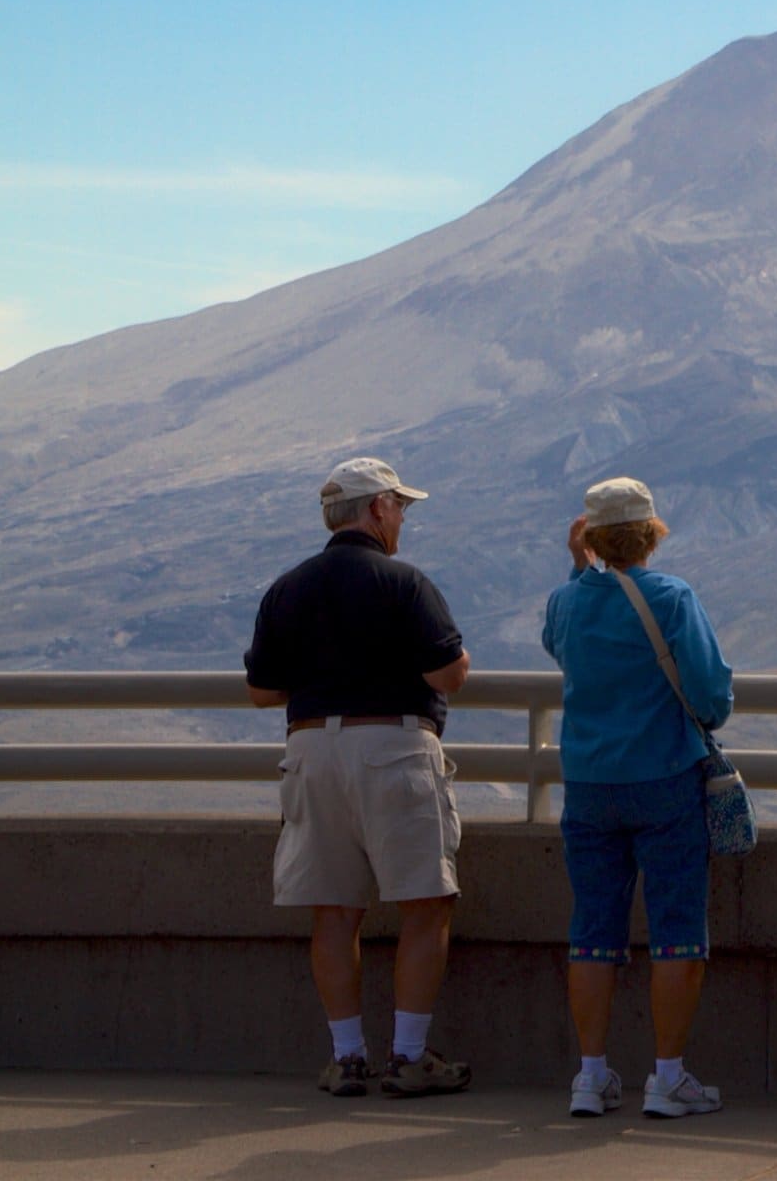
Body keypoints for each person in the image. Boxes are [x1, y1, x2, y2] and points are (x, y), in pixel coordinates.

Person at [245, 456, 473, 1099]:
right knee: (427, 903)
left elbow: (263, 692)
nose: (402, 518)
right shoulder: (404, 583)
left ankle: (347, 1059)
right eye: (400, 506)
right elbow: (449, 676)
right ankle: (407, 1057)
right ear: (377, 509)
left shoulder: (287, 588)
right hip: (394, 748)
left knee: (334, 911)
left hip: (312, 751)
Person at [542, 477, 735, 1121]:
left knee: (593, 930)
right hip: (664, 780)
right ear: (653, 533)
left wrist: (580, 568)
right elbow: (711, 697)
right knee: (677, 929)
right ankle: (668, 1079)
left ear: (591, 536)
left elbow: (559, 644)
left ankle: (590, 1078)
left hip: (589, 787)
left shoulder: (566, 602)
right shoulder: (672, 597)